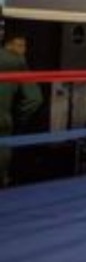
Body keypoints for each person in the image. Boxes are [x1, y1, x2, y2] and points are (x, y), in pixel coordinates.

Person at [0, 33, 43, 188]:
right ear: (8, 45)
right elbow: (34, 99)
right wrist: (17, 118)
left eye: (24, 46)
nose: (23, 50)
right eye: (19, 45)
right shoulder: (16, 61)